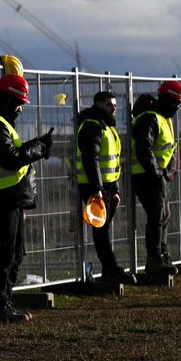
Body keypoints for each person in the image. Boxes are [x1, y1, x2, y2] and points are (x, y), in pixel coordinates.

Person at [0, 70, 52, 322]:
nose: (20, 109)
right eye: (18, 104)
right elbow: (11, 159)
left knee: (14, 254)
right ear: (7, 101)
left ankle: (4, 303)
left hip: (9, 199)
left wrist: (37, 145)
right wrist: (38, 147)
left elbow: (12, 155)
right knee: (3, 254)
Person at [73, 90, 135, 284]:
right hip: (94, 186)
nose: (114, 108)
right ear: (98, 105)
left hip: (106, 186)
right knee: (101, 229)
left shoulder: (106, 126)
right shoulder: (92, 125)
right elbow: (90, 158)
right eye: (109, 104)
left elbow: (112, 162)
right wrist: (97, 188)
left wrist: (114, 189)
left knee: (104, 228)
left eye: (115, 105)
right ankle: (111, 268)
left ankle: (111, 268)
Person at [131, 80, 181, 274]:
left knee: (163, 216)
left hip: (159, 176)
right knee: (156, 217)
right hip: (147, 176)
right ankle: (155, 260)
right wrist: (157, 174)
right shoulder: (150, 118)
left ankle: (162, 256)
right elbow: (144, 149)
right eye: (176, 103)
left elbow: (171, 149)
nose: (177, 108)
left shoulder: (163, 119)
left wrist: (167, 173)